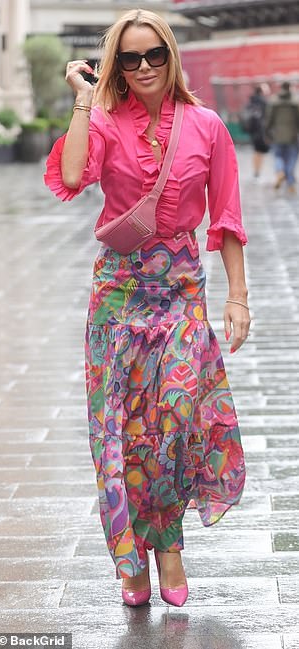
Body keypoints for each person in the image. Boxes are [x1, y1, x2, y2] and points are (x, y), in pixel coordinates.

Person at [44, 9, 250, 608]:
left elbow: (228, 217)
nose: (143, 67)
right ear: (116, 67)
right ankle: (131, 554)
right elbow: (74, 173)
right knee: (120, 428)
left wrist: (237, 298)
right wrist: (85, 98)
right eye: (128, 59)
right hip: (118, 297)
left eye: (153, 54)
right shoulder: (105, 121)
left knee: (177, 420)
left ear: (171, 55)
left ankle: (170, 545)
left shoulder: (207, 125)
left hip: (182, 291)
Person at [265, 81, 299, 193]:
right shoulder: (296, 101)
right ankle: (290, 182)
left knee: (278, 156)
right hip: (292, 135)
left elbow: (269, 119)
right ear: (290, 88)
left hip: (277, 135)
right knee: (291, 158)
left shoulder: (274, 101)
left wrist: (267, 132)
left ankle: (280, 172)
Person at [240, 86, 269, 178]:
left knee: (256, 150)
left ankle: (256, 170)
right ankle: (257, 170)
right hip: (261, 130)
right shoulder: (264, 102)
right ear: (261, 92)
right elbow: (267, 116)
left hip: (252, 130)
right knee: (259, 150)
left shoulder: (250, 102)